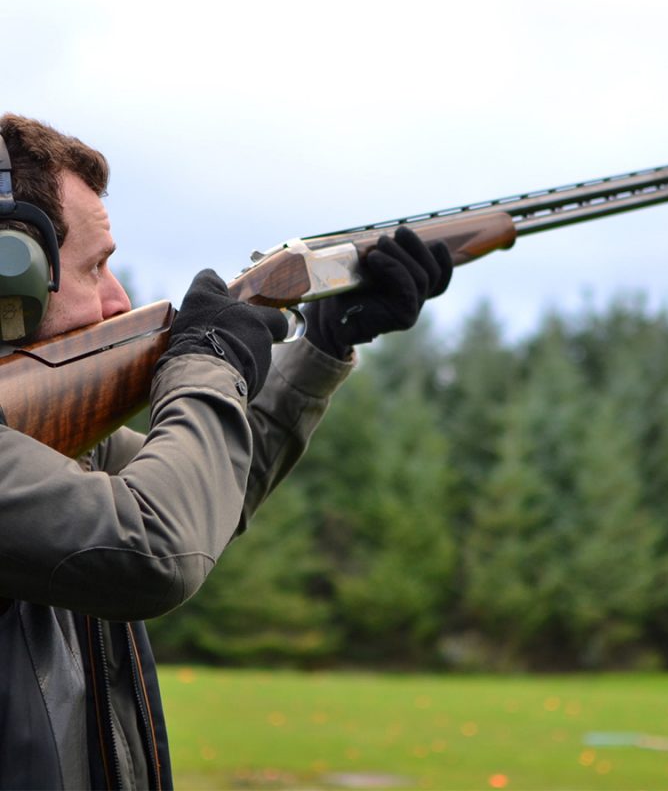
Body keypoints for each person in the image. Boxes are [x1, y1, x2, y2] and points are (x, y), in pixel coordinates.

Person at [0, 113, 452, 790]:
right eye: (96, 267)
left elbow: (202, 490)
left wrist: (321, 346)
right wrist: (209, 360)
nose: (119, 298)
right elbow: (154, 546)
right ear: (15, 279)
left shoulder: (42, 447)